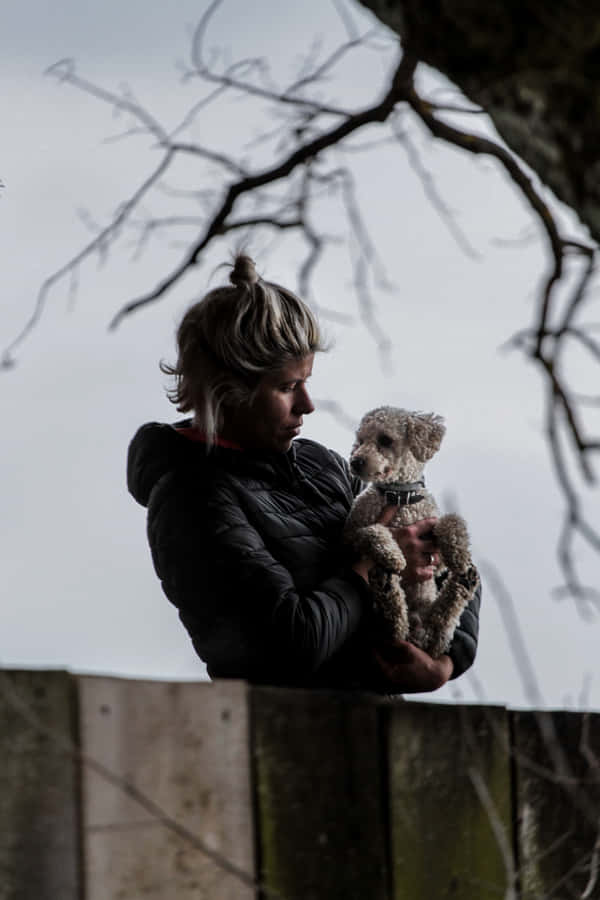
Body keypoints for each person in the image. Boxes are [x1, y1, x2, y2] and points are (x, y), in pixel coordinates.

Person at [127, 254, 480, 692]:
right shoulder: (191, 498)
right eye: (287, 387)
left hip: (385, 739)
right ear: (228, 391)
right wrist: (373, 562)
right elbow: (290, 643)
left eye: (306, 382)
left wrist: (444, 664)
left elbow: (446, 558)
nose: (308, 405)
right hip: (281, 742)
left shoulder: (323, 465)